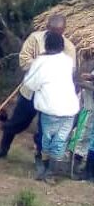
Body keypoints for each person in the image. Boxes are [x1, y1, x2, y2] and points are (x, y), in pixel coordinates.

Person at [0, 14, 76, 163]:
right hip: (30, 91)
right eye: (53, 30)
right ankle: (3, 149)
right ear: (47, 28)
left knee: (44, 130)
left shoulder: (68, 47)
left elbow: (70, 70)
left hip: (51, 96)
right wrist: (40, 63)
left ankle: (40, 160)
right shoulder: (35, 39)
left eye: (59, 31)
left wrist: (50, 67)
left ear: (64, 30)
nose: (55, 34)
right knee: (17, 122)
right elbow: (24, 61)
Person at [22, 32, 79, 182]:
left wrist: (38, 62)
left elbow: (30, 84)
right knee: (60, 141)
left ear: (46, 45)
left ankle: (46, 170)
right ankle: (50, 173)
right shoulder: (67, 61)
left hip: (50, 110)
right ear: (62, 46)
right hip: (70, 110)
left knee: (47, 140)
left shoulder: (41, 62)